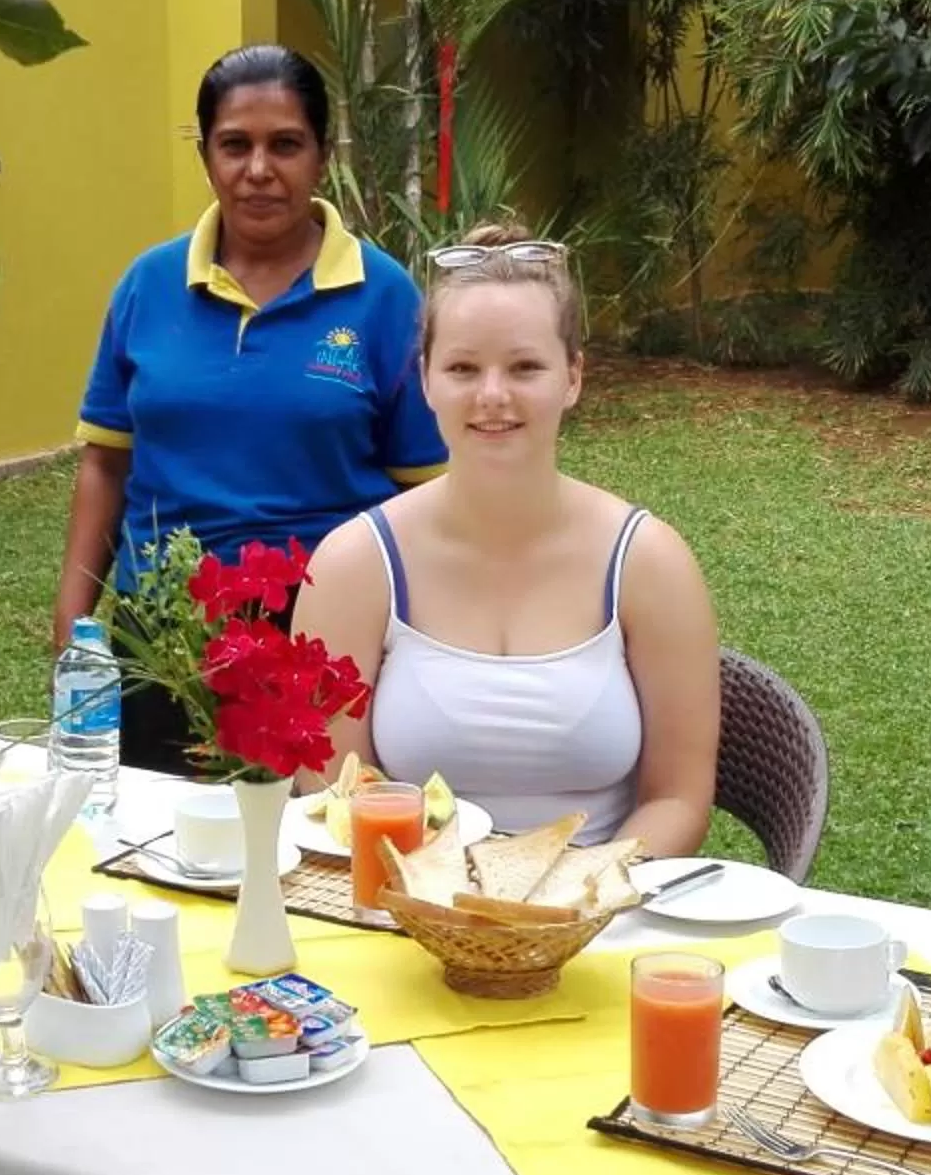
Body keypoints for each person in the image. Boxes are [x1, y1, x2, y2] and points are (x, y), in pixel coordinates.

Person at [55, 44, 445, 772]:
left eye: (286, 145)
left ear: (323, 154)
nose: (259, 169)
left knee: (310, 847)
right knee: (160, 846)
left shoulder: (385, 298)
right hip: (163, 636)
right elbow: (106, 464)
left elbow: (422, 496)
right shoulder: (148, 285)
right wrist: (73, 625)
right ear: (205, 154)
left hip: (325, 635)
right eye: (235, 145)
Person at [288, 223, 719, 853]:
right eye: (463, 368)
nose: (493, 396)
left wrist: (576, 896)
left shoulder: (649, 563)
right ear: (425, 380)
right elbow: (330, 788)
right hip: (403, 910)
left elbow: (677, 798)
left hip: (596, 918)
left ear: (572, 377)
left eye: (525, 367)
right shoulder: (356, 565)